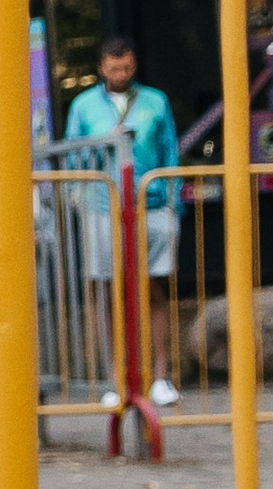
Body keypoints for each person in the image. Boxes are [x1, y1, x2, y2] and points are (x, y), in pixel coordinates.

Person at [59, 35, 184, 409]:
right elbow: (72, 156)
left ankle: (160, 377)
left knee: (154, 287)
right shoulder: (83, 105)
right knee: (106, 291)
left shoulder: (155, 100)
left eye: (127, 68)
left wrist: (173, 204)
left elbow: (170, 152)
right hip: (102, 203)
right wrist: (105, 144)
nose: (121, 74)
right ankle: (115, 380)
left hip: (151, 202)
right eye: (114, 69)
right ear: (102, 68)